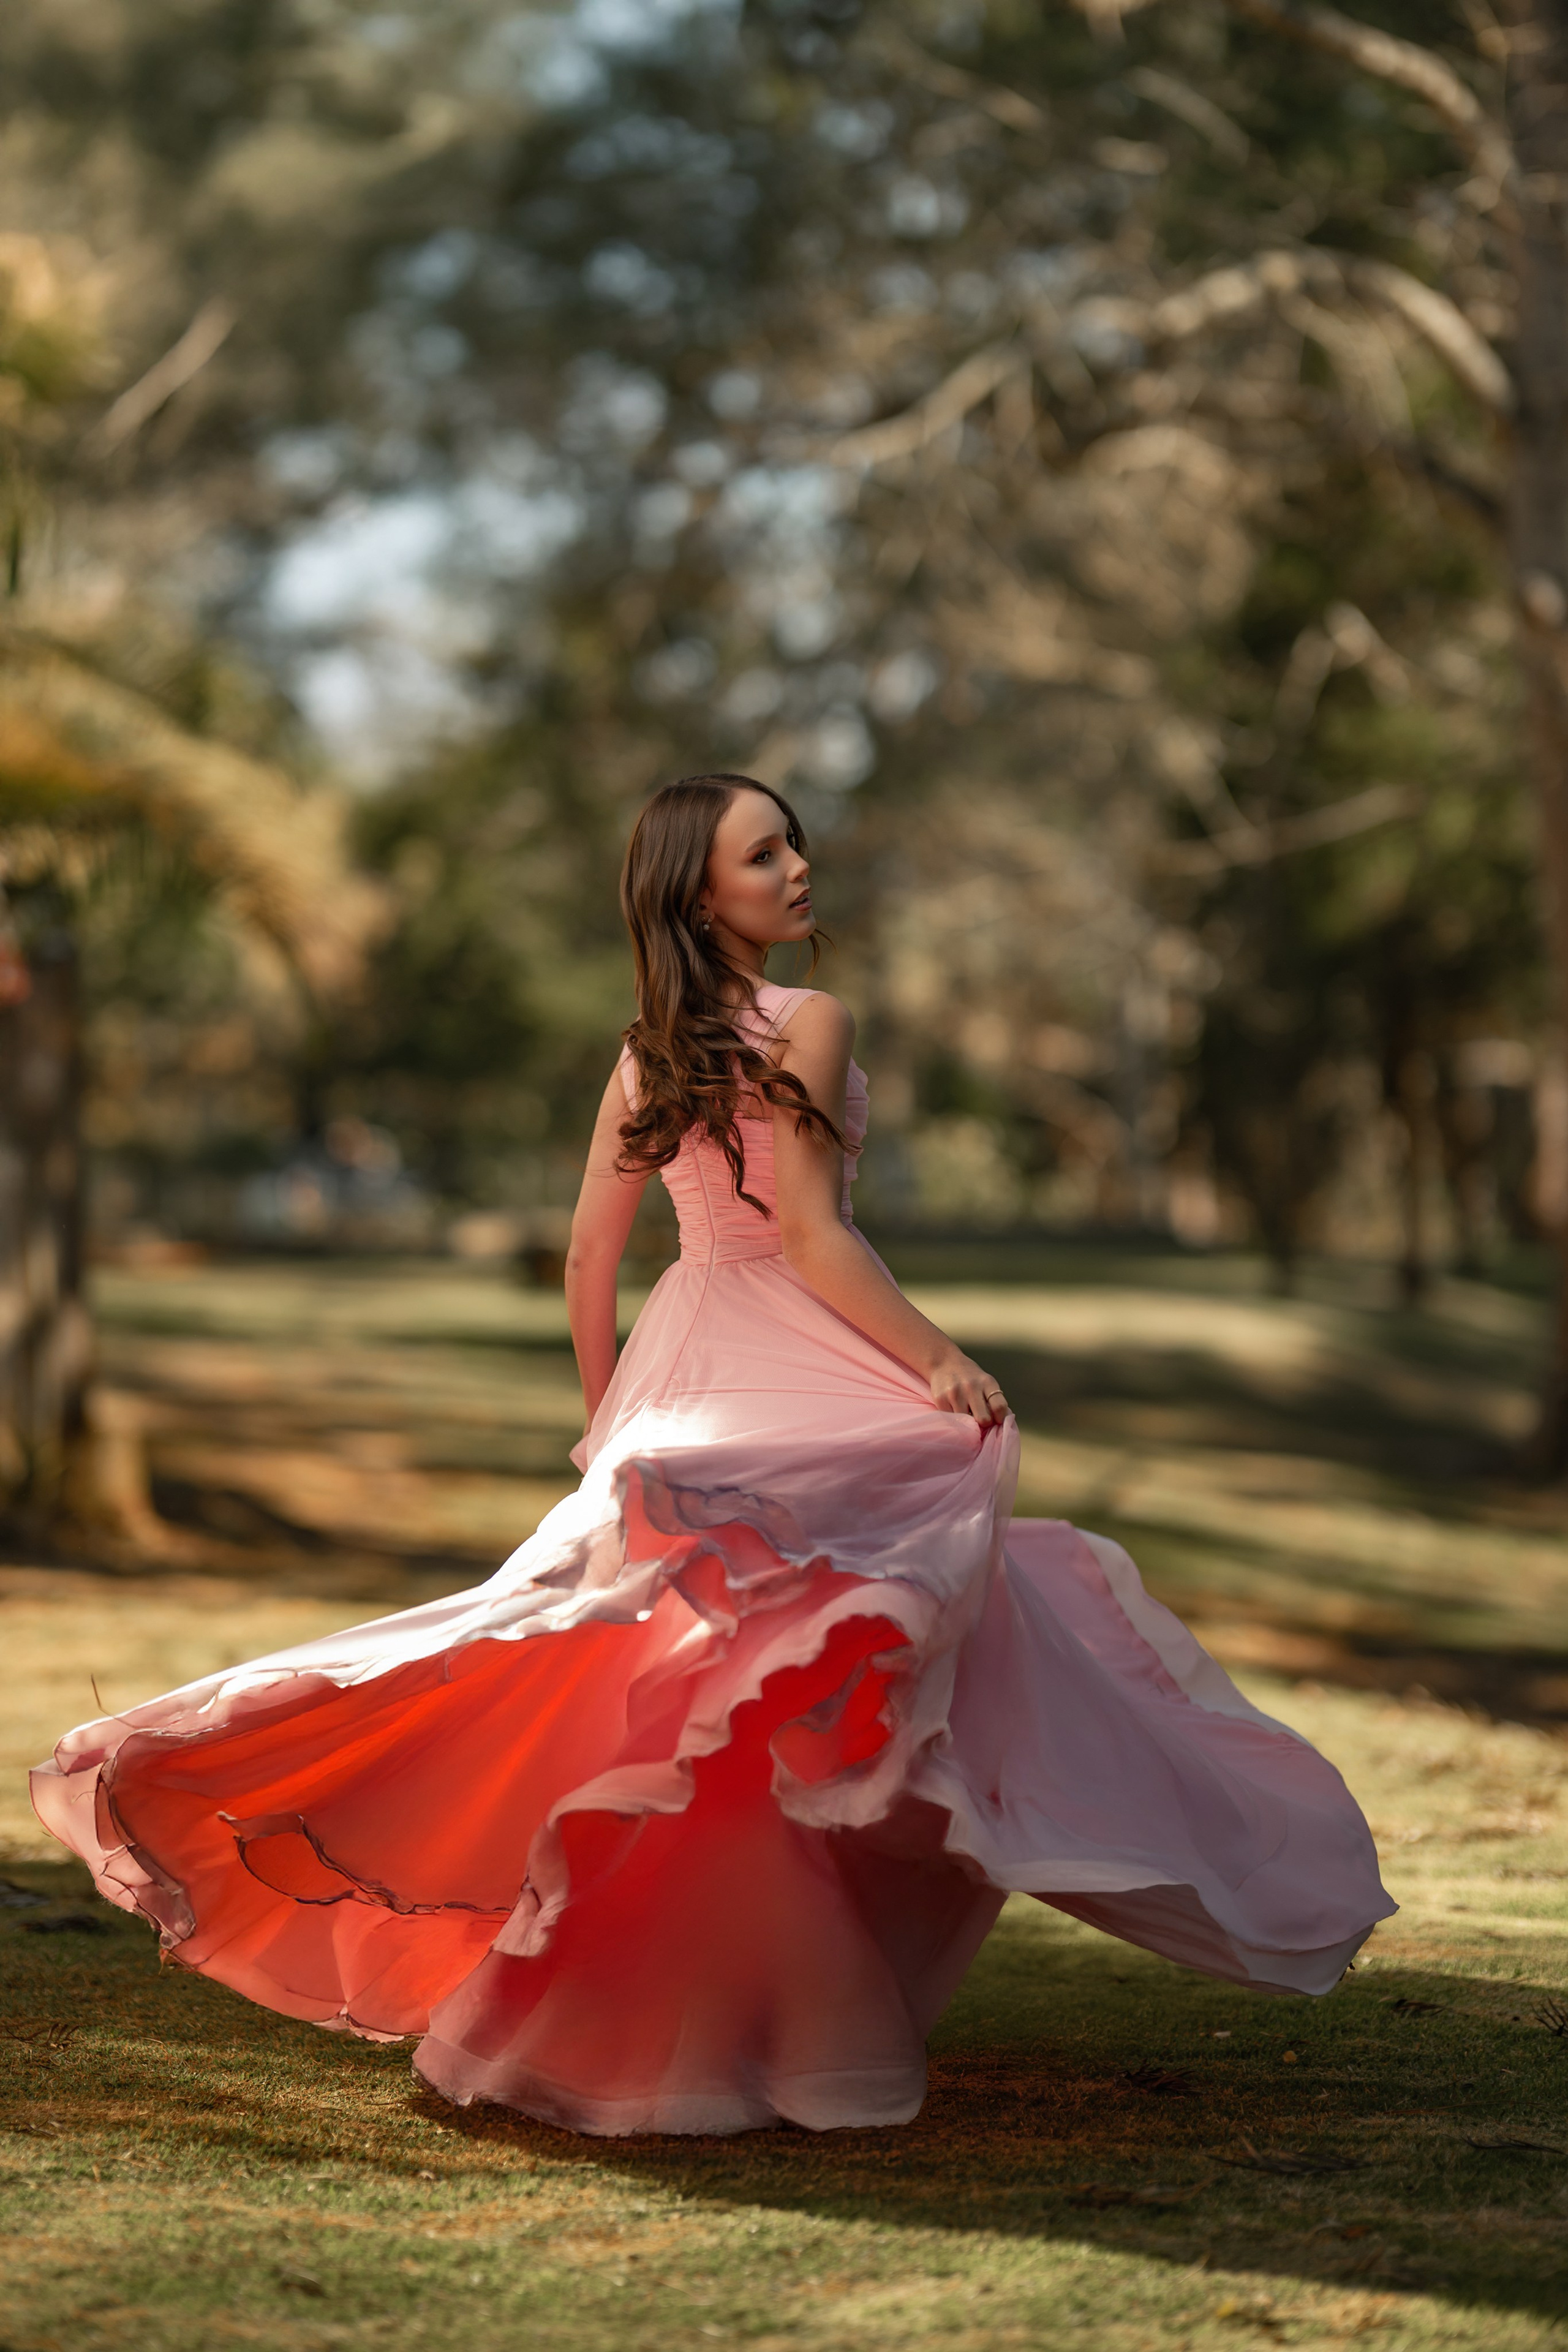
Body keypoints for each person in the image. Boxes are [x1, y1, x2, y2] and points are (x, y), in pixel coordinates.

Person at [32, 772, 1394, 2138]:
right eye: (763, 853)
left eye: (792, 840)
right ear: (701, 894)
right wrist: (931, 1359)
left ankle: (733, 1975)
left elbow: (588, 1254)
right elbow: (808, 1231)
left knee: (682, 1667)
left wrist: (605, 1414)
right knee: (835, 1640)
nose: (797, 867)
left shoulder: (642, 1049)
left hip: (681, 1368)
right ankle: (772, 1989)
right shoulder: (810, 1019)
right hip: (782, 1346)